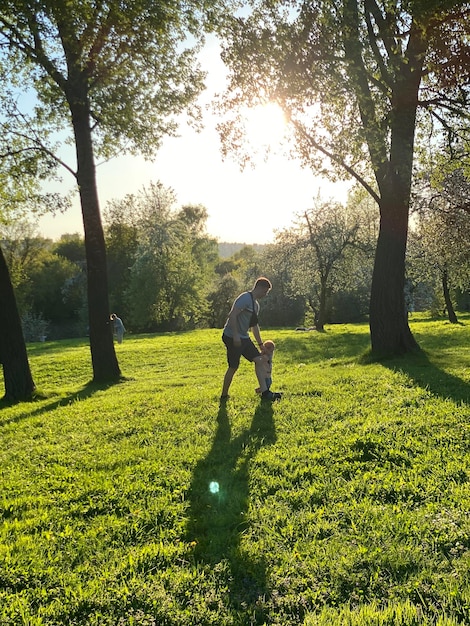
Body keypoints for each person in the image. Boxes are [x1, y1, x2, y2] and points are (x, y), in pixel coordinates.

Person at [221, 277, 282, 401]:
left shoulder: (255, 305)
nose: (265, 295)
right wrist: (236, 335)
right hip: (231, 336)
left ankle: (265, 393)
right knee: (233, 367)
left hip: (243, 337)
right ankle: (224, 395)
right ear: (259, 287)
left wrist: (261, 344)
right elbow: (232, 315)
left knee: (259, 360)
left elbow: (254, 326)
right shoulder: (244, 298)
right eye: (265, 292)